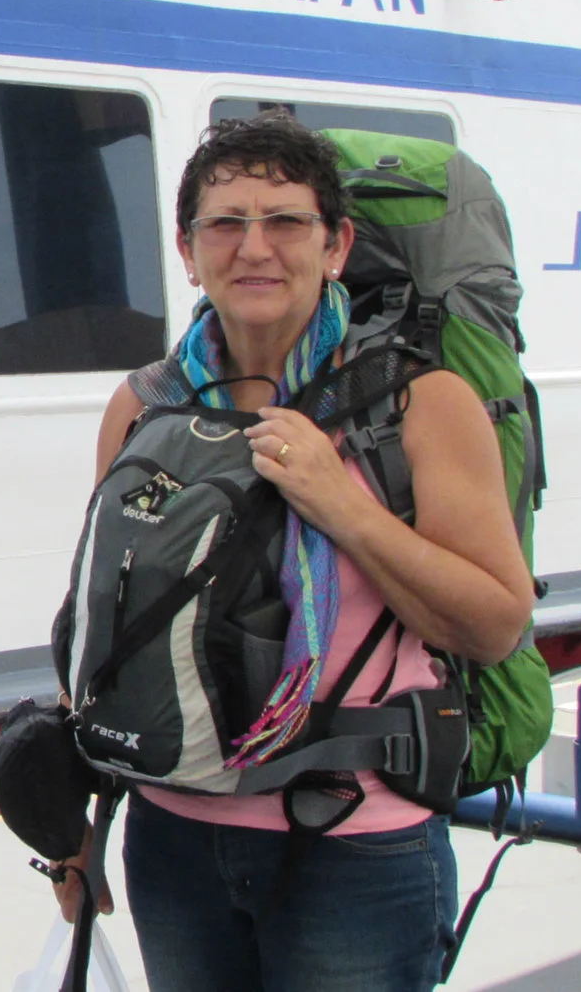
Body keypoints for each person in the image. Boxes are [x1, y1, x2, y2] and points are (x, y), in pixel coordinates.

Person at [54, 114, 535, 992]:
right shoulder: (145, 407)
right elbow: (107, 618)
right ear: (188, 249)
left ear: (337, 242)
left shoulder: (420, 403)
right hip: (173, 834)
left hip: (352, 841)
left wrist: (339, 500)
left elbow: (494, 622)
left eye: (285, 221)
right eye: (226, 223)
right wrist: (73, 828)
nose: (255, 248)